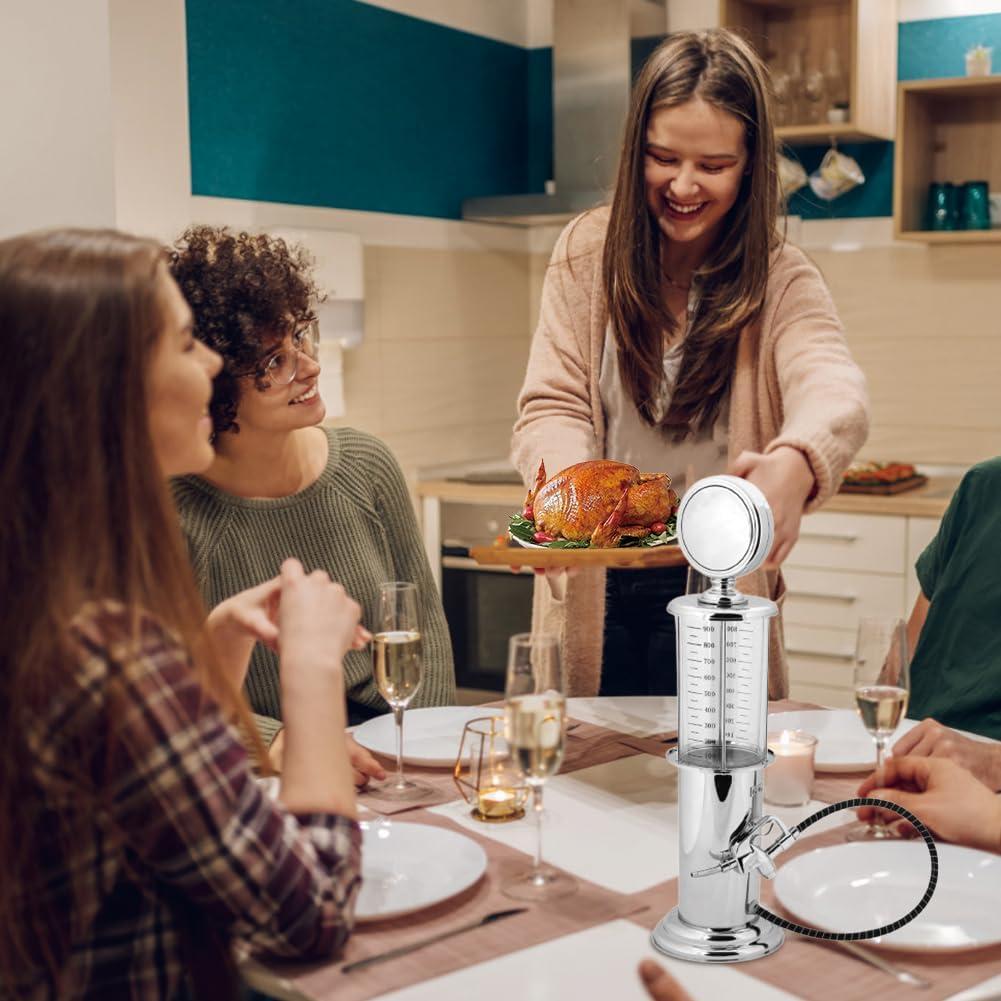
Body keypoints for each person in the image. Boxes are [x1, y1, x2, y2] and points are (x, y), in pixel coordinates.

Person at [0, 228, 364, 998]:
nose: (209, 365)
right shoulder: (103, 653)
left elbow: (163, 813)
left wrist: (212, 648)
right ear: (103, 386)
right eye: (186, 342)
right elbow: (310, 911)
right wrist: (310, 668)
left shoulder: (46, 605)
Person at [511, 29, 869, 698]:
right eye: (661, 157)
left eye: (712, 165)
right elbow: (551, 404)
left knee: (718, 784)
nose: (682, 184)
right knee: (582, 783)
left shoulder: (780, 278)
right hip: (597, 585)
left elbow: (833, 387)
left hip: (719, 593)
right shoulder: (585, 250)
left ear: (750, 164)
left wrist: (795, 464)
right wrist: (568, 497)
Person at [168, 226, 455, 746]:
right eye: (275, 362)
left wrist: (426, 746)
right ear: (216, 390)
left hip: (389, 747)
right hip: (269, 765)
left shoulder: (367, 465)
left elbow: (425, 633)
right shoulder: (174, 513)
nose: (311, 366)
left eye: (300, 337)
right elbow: (174, 696)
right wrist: (278, 742)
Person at [889, 457, 1001, 768]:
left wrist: (991, 763)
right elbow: (902, 663)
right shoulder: (985, 485)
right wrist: (877, 742)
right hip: (916, 753)